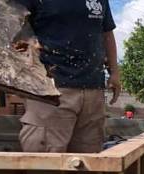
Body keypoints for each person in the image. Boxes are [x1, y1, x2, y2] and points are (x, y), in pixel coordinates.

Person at [17, 0, 121, 153]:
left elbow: (106, 33)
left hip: (93, 93)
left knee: (88, 167)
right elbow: (12, 23)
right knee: (47, 167)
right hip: (49, 93)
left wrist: (115, 73)